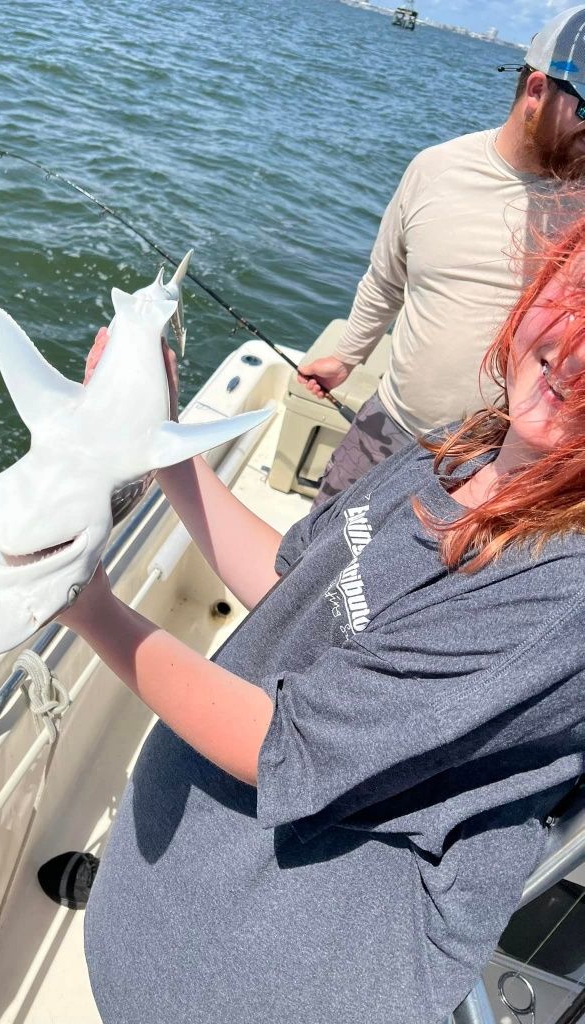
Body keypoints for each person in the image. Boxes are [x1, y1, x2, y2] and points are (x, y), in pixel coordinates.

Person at [57, 214, 585, 1024]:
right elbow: (296, 580)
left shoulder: (563, 590)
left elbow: (284, 748)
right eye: (577, 294)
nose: (576, 351)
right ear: (539, 284)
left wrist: (82, 603)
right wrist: (163, 447)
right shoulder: (465, 447)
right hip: (159, 907)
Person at [298, 4, 585, 506]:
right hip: (387, 430)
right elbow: (386, 280)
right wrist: (346, 358)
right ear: (537, 91)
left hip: (503, 471)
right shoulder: (435, 168)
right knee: (306, 562)